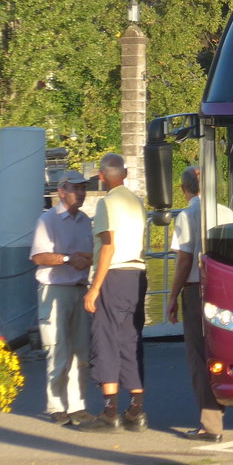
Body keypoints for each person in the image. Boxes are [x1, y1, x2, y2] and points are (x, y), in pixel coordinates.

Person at [166, 166, 233, 442]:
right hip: (227, 290)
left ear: (184, 190)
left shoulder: (186, 215)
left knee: (199, 356)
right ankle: (222, 407)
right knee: (222, 351)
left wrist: (173, 296)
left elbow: (184, 260)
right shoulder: (228, 214)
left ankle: (211, 423)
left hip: (198, 290)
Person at [80, 153, 149, 432]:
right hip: (137, 274)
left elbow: (108, 246)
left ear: (100, 176)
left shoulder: (107, 203)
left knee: (106, 339)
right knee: (130, 340)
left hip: (114, 275)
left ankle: (110, 411)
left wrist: (94, 289)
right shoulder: (137, 202)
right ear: (126, 173)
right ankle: (136, 409)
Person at [29, 170, 95, 426]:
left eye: (83, 188)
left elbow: (90, 255)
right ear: (61, 192)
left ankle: (77, 406)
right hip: (54, 289)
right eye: (76, 188)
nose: (81, 193)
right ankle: (57, 406)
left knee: (81, 352)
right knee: (58, 350)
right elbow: (38, 257)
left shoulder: (85, 220)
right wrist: (68, 258)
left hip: (80, 289)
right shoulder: (48, 220)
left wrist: (86, 260)